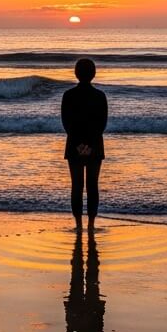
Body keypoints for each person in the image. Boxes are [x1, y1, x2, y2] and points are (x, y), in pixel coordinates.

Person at [61, 57, 108, 229]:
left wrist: (80, 145)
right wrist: (89, 145)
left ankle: (78, 224)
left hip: (74, 145)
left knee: (77, 186)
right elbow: (102, 124)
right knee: (92, 186)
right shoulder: (100, 96)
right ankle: (91, 224)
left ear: (76, 73)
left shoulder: (68, 95)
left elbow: (66, 123)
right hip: (95, 145)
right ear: (93, 74)